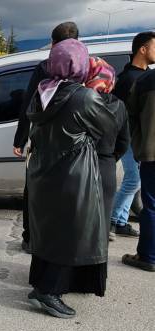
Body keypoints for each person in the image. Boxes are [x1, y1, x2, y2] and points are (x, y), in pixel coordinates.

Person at [25, 39, 120, 319]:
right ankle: (49, 291)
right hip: (73, 173)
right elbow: (109, 127)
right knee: (71, 233)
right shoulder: (84, 97)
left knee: (49, 231)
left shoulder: (42, 92)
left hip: (43, 171)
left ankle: (40, 284)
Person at [13, 22, 79, 253]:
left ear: (53, 44)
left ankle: (31, 238)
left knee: (34, 191)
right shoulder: (89, 68)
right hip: (75, 145)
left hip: (43, 142)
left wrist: (20, 140)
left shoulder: (45, 68)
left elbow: (28, 105)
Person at [110, 32, 155, 238]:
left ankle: (119, 220)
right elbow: (119, 113)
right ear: (142, 49)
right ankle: (113, 219)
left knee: (134, 180)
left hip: (141, 138)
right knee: (133, 180)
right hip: (129, 137)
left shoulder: (145, 76)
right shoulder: (128, 79)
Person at [85, 58, 130, 244]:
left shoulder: (82, 101)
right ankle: (98, 271)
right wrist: (110, 157)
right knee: (102, 222)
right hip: (106, 166)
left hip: (81, 165)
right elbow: (124, 142)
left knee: (80, 221)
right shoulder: (119, 105)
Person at [123, 67, 155, 272]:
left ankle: (148, 256)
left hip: (151, 153)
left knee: (151, 205)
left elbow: (130, 115)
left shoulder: (146, 80)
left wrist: (138, 145)